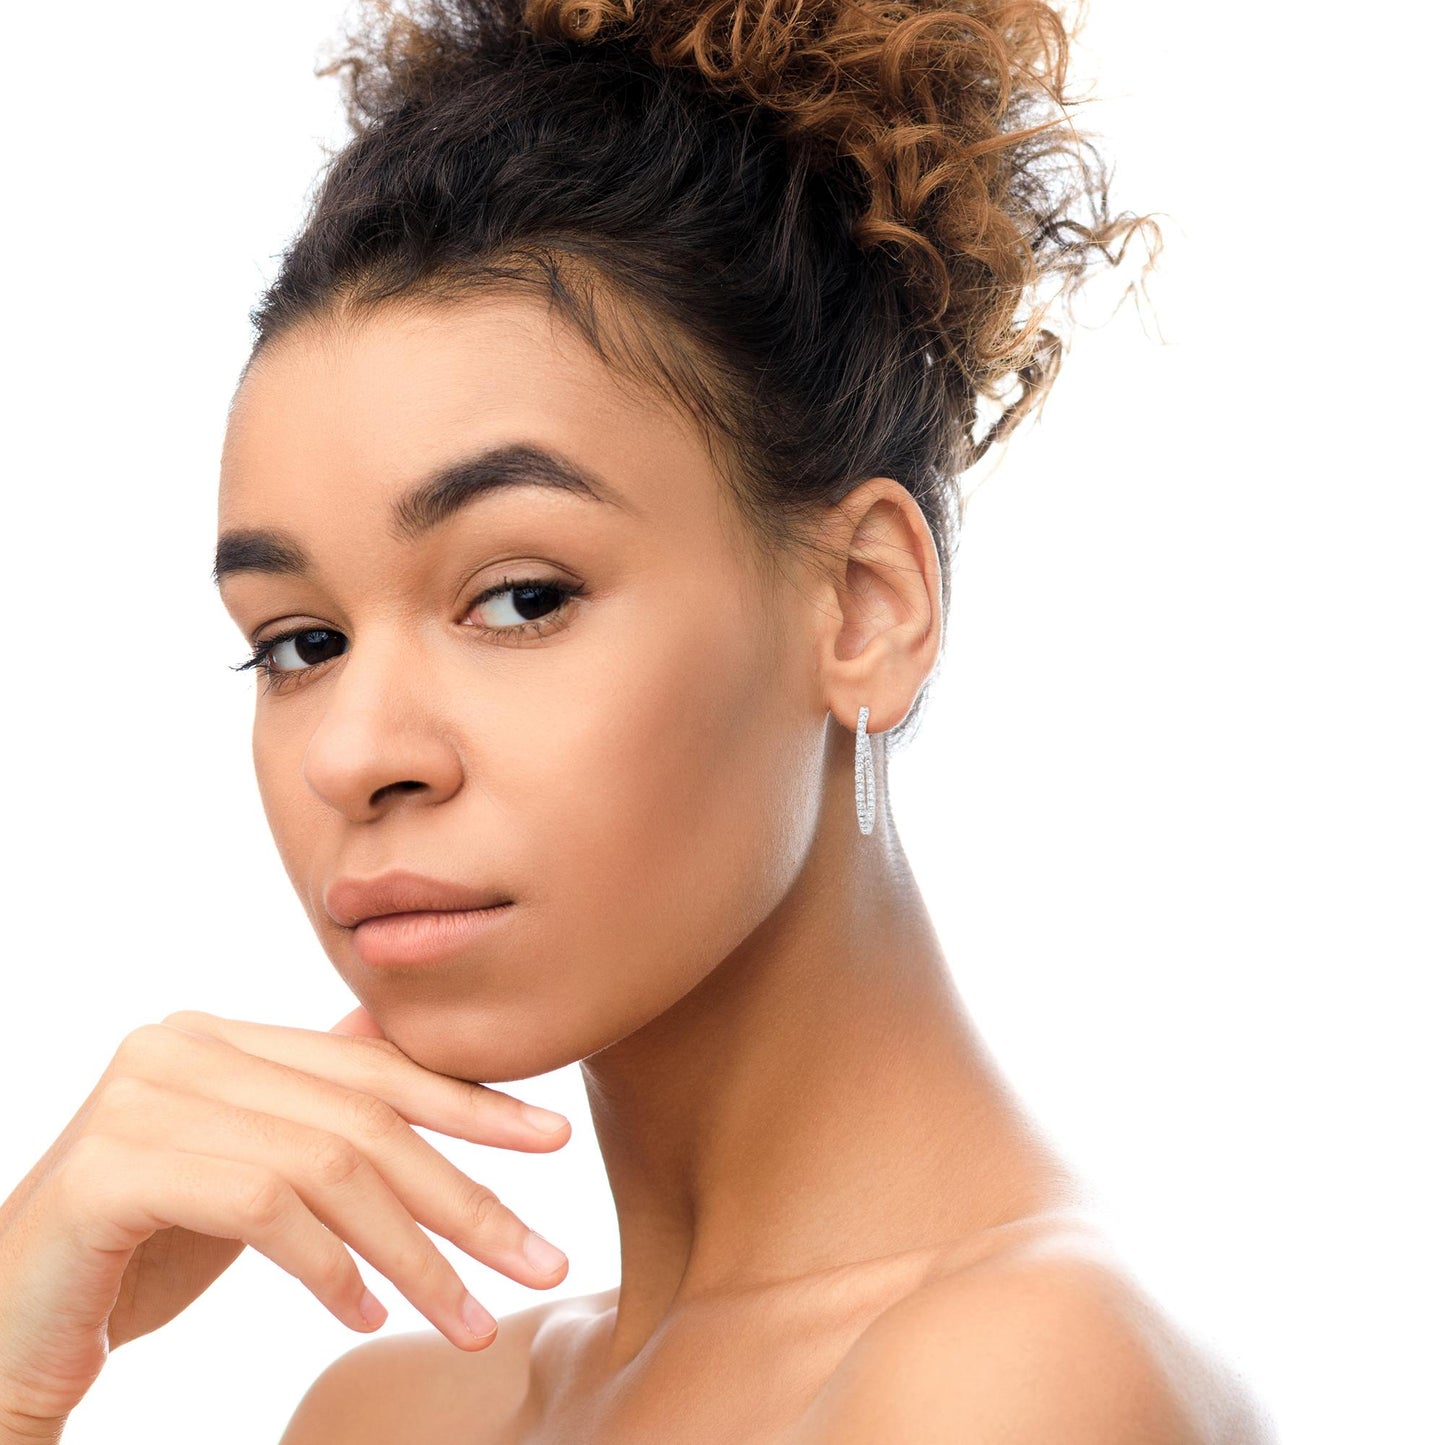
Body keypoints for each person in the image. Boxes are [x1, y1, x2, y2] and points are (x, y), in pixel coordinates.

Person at [0, 0, 1277, 1439]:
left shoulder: (1014, 1379)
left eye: (522, 599)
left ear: (861, 605)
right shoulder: (391, 1413)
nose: (356, 752)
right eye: (300, 641)